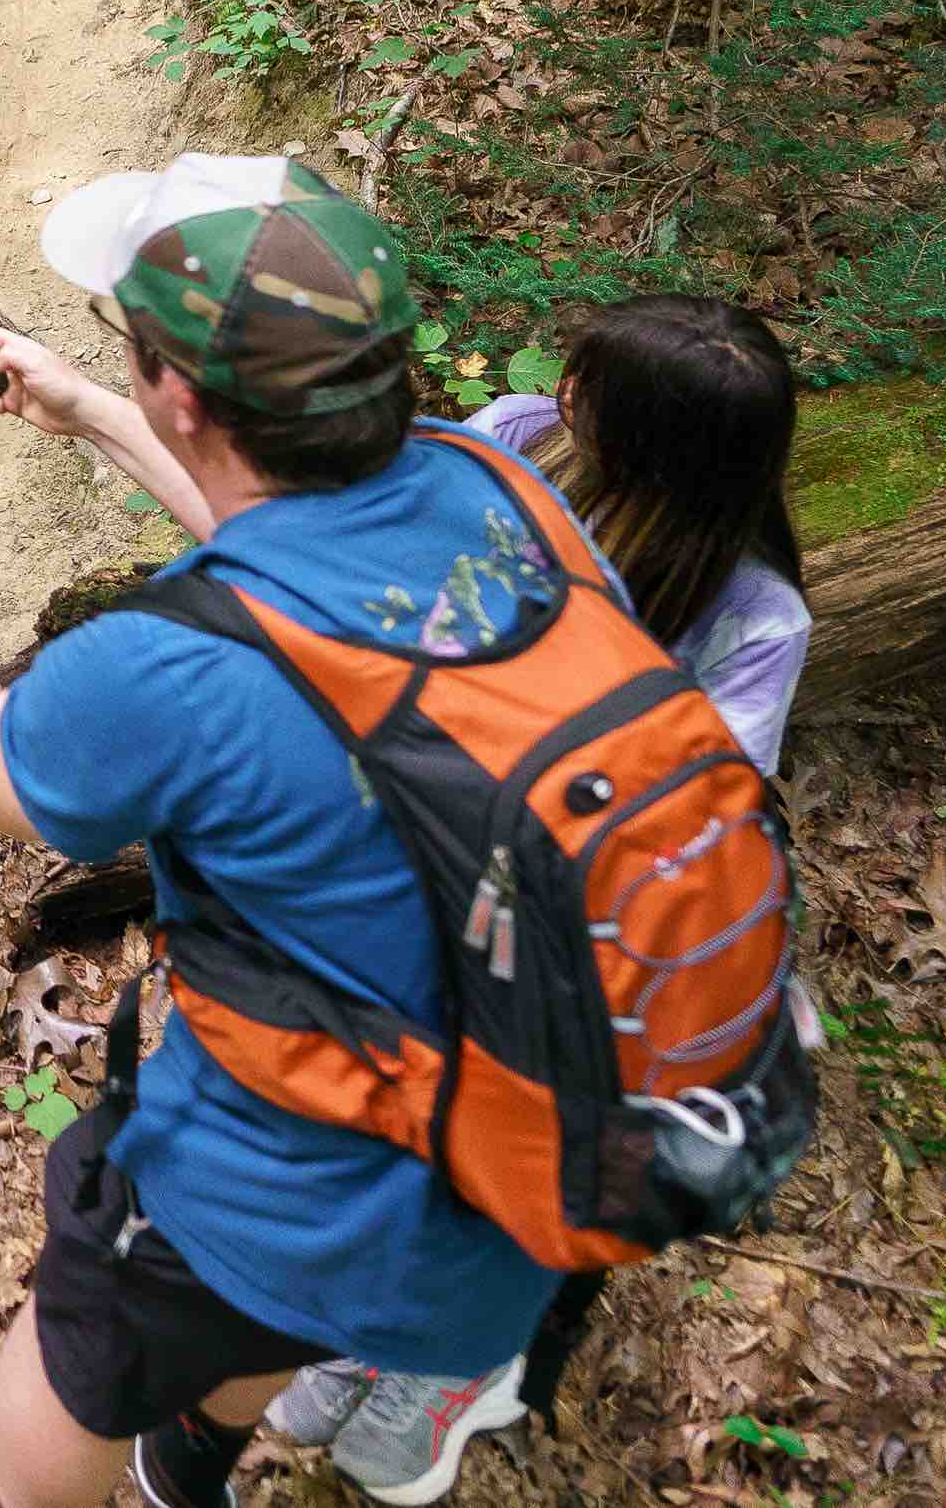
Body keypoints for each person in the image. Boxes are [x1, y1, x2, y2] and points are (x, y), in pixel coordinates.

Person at [0, 154, 564, 1508]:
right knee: (246, 1317)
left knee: (75, 1354)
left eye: (138, 356)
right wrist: (102, 413)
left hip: (304, 1162)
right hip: (516, 1129)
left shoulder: (166, 673)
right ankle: (187, 1468)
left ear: (189, 394)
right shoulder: (496, 490)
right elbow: (293, 557)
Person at [254, 294, 812, 1502]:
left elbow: (690, 819)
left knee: (536, 1131)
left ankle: (470, 1359)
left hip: (580, 925)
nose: (562, 395)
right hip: (432, 851)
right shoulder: (513, 435)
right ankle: (383, 1319)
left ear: (651, 446)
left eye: (592, 392)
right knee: (407, 1102)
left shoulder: (752, 616)